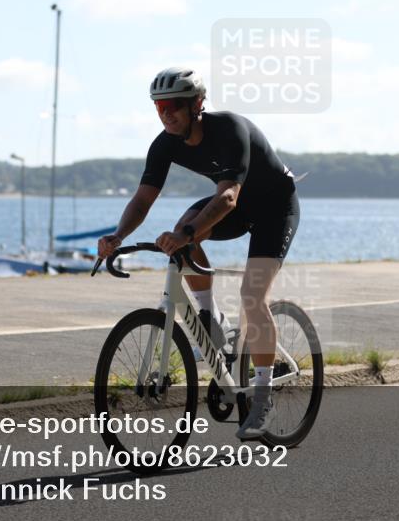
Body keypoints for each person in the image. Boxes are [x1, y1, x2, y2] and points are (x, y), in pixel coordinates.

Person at [97, 67, 299, 440]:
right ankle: (211, 317)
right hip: (237, 206)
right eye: (159, 108)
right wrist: (117, 234)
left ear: (197, 105)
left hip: (274, 207)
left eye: (174, 105)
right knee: (186, 221)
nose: (166, 114)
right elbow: (143, 199)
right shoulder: (164, 144)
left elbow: (227, 197)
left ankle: (263, 396)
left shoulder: (230, 129)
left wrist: (186, 234)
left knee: (252, 297)